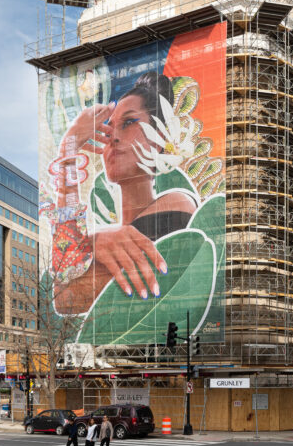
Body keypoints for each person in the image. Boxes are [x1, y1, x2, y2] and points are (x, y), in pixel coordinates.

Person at [50, 72, 197, 315]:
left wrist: (88, 244)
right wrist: (69, 148)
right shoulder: (114, 234)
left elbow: (68, 293)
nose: (113, 138)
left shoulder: (177, 203)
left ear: (159, 139)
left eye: (129, 123)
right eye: (108, 130)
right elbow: (63, 299)